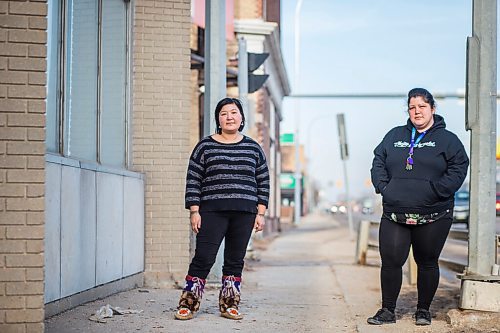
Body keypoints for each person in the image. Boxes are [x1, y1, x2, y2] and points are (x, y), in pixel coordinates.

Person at [368, 88, 469, 326]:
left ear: (432, 109)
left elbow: (459, 167)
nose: (417, 112)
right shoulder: (394, 135)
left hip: (434, 213)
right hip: (395, 211)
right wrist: (385, 187)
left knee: (427, 262)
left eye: (422, 107)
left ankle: (423, 310)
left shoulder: (448, 140)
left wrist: (436, 191)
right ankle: (387, 311)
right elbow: (378, 161)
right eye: (412, 107)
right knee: (391, 261)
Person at [174, 97, 270, 321]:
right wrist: (194, 210)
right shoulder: (205, 146)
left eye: (234, 112)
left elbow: (263, 181)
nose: (229, 117)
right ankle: (188, 304)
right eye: (224, 113)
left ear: (241, 118)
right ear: (218, 118)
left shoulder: (253, 147)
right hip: (211, 211)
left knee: (235, 260)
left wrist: (261, 212)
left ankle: (229, 305)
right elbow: (193, 179)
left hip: (245, 212)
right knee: (204, 257)